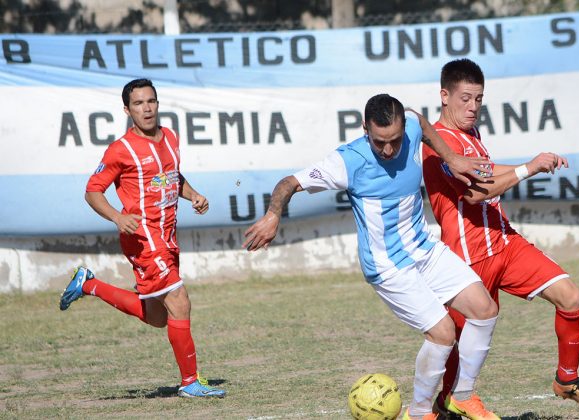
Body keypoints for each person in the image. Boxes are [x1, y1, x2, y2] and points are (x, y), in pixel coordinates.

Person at [244, 94, 500, 420]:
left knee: (484, 309)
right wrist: (273, 215)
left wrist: (452, 157)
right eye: (380, 142)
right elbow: (289, 183)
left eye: (394, 141)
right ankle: (420, 414)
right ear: (365, 129)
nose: (389, 150)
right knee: (443, 333)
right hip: (387, 267)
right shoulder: (348, 160)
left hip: (423, 249)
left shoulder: (408, 126)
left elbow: (420, 122)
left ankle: (461, 395)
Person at [422, 59, 579, 416]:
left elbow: (489, 172)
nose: (473, 107)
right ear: (444, 96)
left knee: (571, 297)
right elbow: (474, 193)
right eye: (465, 98)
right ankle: (434, 412)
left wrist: (531, 163)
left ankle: (567, 379)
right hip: (468, 258)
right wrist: (528, 168)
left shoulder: (469, 133)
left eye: (479, 99)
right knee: (454, 355)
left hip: (504, 241)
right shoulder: (440, 143)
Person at [59, 78, 225, 399]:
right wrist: (118, 217)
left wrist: (193, 195)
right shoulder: (121, 149)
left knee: (158, 317)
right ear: (127, 109)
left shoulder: (171, 137)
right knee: (180, 301)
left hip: (167, 236)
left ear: (158, 104)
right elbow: (93, 192)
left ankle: (89, 285)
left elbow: (172, 177)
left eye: (151, 101)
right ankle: (190, 382)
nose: (146, 108)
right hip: (144, 239)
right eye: (138, 104)